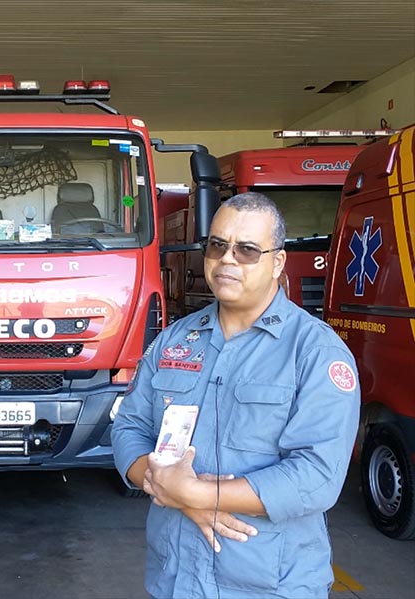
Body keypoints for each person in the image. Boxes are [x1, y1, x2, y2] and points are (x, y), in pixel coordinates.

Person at [112, 192, 360, 599]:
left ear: (277, 262)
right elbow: (130, 427)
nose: (227, 259)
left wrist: (197, 494)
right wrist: (169, 489)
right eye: (217, 245)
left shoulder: (315, 352)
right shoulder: (176, 340)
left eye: (246, 250)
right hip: (175, 578)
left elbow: (317, 475)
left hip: (267, 584)